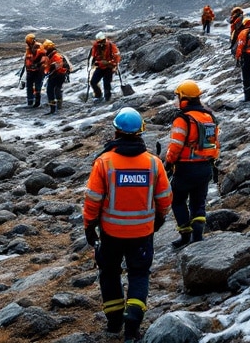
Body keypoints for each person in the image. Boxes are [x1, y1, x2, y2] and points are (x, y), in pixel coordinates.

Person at [82, 107, 172, 342]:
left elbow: (92, 199)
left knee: (109, 273)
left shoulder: (104, 162)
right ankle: (132, 322)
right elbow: (164, 199)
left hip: (111, 233)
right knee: (139, 274)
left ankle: (113, 323)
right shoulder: (153, 163)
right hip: (142, 233)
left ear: (116, 132)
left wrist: (89, 226)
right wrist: (159, 219)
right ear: (141, 132)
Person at [164, 81, 219, 247]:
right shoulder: (209, 117)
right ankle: (198, 235)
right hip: (205, 167)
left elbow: (175, 146)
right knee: (198, 201)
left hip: (186, 168)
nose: (176, 100)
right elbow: (215, 143)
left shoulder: (183, 119)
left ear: (184, 98)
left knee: (178, 200)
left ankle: (185, 234)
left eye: (177, 97)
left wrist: (168, 162)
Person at [88, 32, 121, 102]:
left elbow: (117, 57)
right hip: (100, 67)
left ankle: (107, 99)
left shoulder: (111, 46)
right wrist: (91, 65)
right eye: (99, 42)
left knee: (106, 83)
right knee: (93, 82)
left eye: (101, 42)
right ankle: (98, 95)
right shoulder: (96, 46)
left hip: (109, 67)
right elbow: (93, 56)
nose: (100, 44)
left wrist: (114, 65)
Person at [42, 39, 68, 114]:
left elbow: (58, 66)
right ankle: (53, 109)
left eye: (46, 49)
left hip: (59, 75)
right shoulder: (49, 56)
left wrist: (53, 66)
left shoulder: (56, 56)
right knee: (50, 91)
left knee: (56, 90)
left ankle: (58, 107)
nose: (45, 51)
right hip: (53, 75)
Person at [23, 33, 46, 108]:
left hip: (37, 71)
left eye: (28, 42)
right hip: (30, 71)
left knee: (37, 86)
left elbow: (42, 58)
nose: (28, 44)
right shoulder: (28, 48)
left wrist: (38, 65)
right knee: (29, 86)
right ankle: (30, 101)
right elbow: (27, 58)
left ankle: (37, 102)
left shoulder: (39, 47)